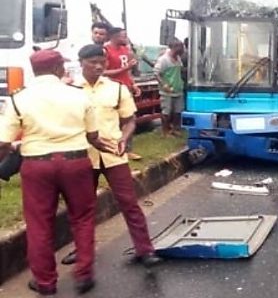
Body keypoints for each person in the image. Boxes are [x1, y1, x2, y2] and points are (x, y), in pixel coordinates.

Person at [0, 50, 113, 295]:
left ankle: (45, 282)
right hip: (76, 162)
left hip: (36, 165)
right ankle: (84, 275)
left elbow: (4, 142)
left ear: (34, 70)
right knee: (82, 218)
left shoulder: (19, 98)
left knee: (39, 223)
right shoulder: (78, 95)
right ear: (58, 69)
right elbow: (93, 135)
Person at [62, 44, 161, 268]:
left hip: (114, 155)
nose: (98, 66)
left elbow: (129, 120)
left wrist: (124, 139)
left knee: (129, 202)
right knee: (81, 206)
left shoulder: (117, 89)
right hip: (82, 155)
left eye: (102, 61)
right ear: (81, 63)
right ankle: (82, 249)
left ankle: (144, 249)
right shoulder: (70, 90)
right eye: (92, 62)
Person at [104, 26, 142, 160]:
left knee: (130, 119)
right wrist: (125, 68)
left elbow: (128, 72)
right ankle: (113, 147)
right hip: (112, 89)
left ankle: (127, 149)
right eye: (123, 36)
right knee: (115, 121)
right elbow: (103, 72)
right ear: (114, 36)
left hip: (126, 89)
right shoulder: (106, 50)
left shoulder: (125, 50)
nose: (125, 38)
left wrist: (133, 84)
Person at [154, 39, 185, 136]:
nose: (181, 49)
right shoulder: (163, 59)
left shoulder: (178, 58)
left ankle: (176, 129)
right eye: (179, 47)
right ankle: (165, 132)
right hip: (167, 91)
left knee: (178, 111)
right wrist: (164, 85)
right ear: (173, 48)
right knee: (166, 112)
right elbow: (157, 73)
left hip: (178, 89)